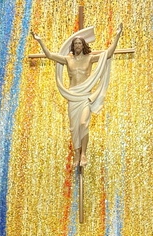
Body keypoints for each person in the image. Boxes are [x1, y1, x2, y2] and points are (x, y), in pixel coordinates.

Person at [32, 23, 123, 167]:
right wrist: (40, 40)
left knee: (83, 123)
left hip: (85, 95)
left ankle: (84, 153)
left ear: (83, 45)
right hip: (73, 95)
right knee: (74, 127)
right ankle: (76, 153)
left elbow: (108, 53)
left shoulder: (90, 58)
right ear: (73, 46)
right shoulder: (67, 59)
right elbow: (49, 55)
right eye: (75, 43)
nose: (78, 45)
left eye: (80, 43)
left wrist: (117, 35)